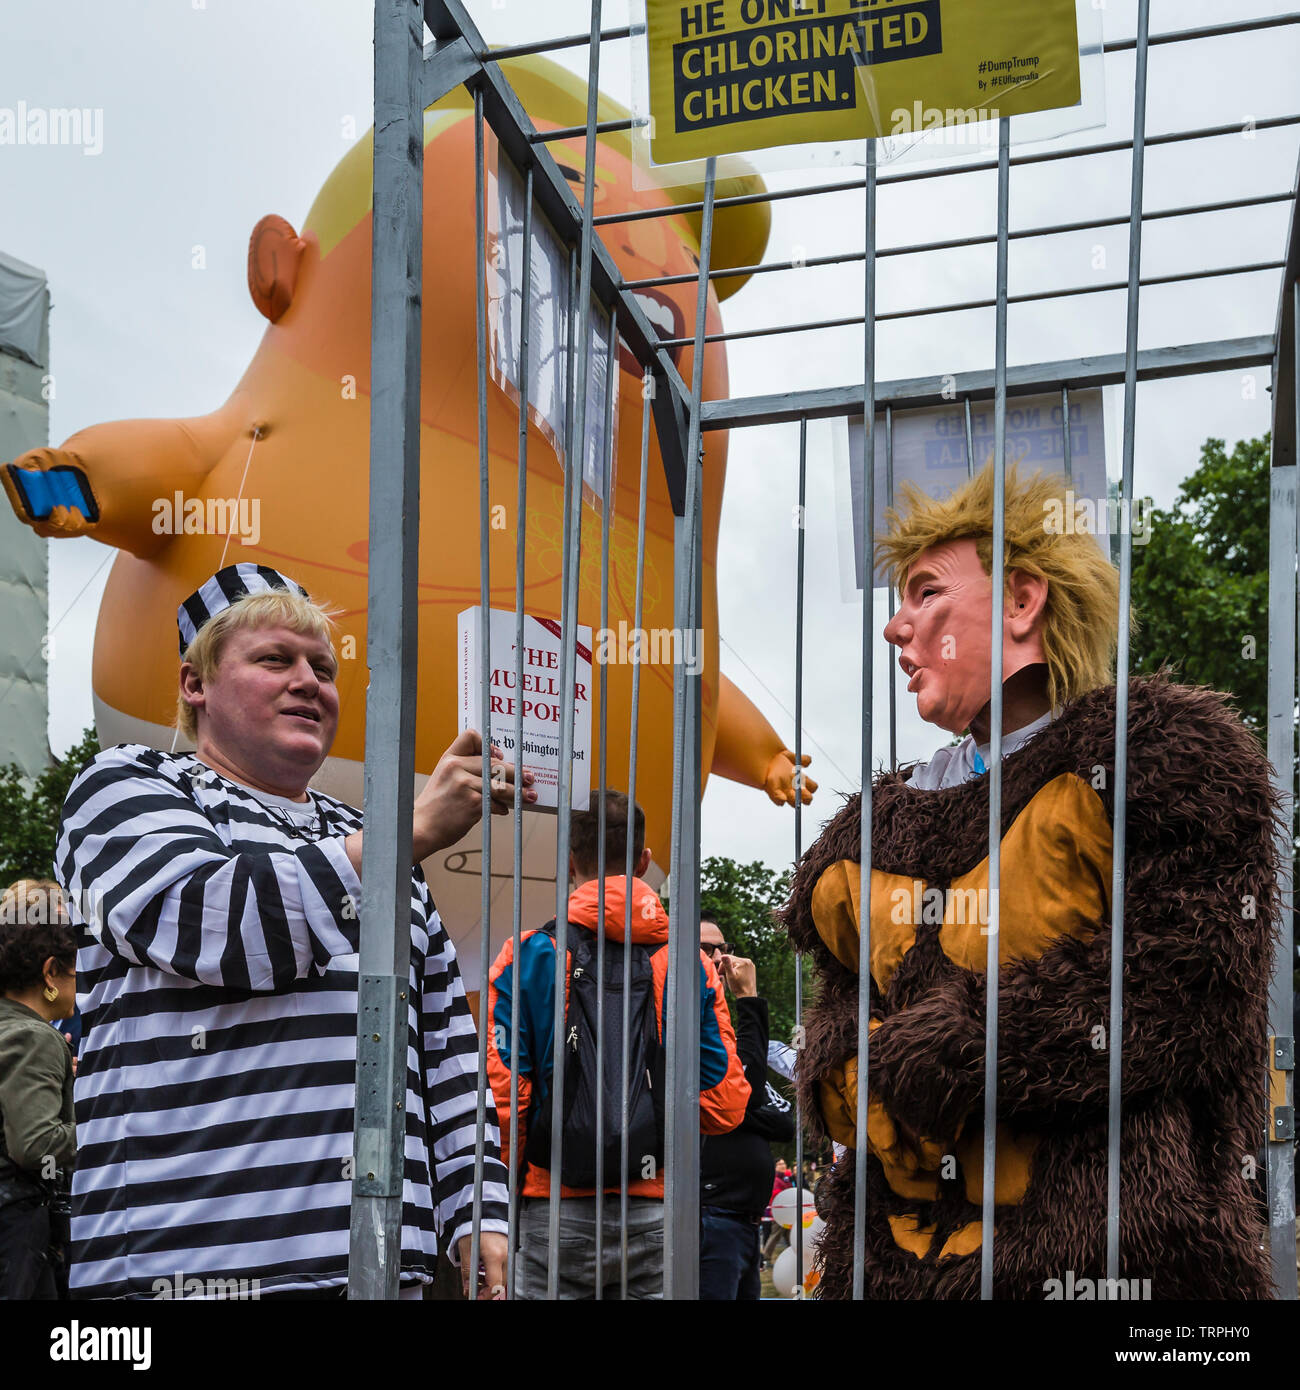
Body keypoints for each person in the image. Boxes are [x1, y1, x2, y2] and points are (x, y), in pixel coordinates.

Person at [781, 464, 1281, 1299]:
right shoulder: (875, 828)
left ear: (1021, 603)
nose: (896, 628)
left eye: (926, 591)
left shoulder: (1150, 763)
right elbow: (840, 1013)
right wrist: (843, 1069)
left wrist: (963, 1047)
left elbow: (1187, 986)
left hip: (1118, 1264)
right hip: (904, 1259)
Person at [54, 563, 522, 1299]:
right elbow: (215, 929)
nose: (309, 681)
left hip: (377, 1270)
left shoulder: (370, 837)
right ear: (194, 685)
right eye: (275, 659)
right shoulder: (130, 783)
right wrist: (412, 832)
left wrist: (479, 1210)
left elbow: (445, 1045)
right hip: (177, 1267)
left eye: (323, 668)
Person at [485, 792, 749, 1299]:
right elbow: (726, 1107)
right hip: (655, 1213)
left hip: (551, 1211)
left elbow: (505, 1107)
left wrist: (506, 1198)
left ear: (568, 861)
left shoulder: (525, 955)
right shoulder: (688, 963)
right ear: (645, 861)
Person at [698, 917, 794, 1300]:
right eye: (707, 950)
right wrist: (749, 1000)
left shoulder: (725, 1032)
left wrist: (736, 1114)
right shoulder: (684, 1022)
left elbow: (784, 1122)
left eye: (723, 948)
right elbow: (750, 1092)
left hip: (742, 1221)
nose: (721, 959)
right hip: (710, 1216)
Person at [0, 880, 77, 1299]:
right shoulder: (36, 1038)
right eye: (75, 968)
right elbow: (35, 1145)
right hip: (17, 1239)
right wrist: (96, 1123)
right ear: (51, 972)